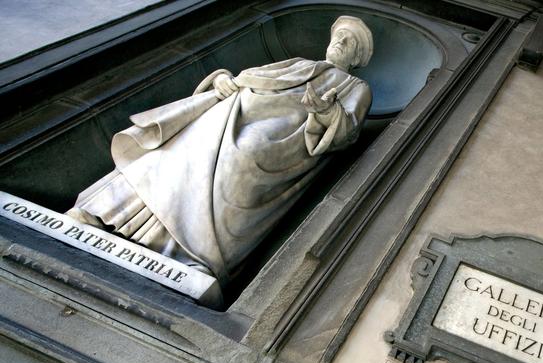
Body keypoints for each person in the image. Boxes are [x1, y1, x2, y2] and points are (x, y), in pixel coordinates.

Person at [67, 16, 373, 284]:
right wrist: (223, 80)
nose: (340, 41)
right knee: (180, 152)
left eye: (350, 41)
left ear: (357, 56)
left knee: (245, 153)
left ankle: (191, 254)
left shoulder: (356, 87)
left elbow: (347, 131)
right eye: (338, 36)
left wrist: (326, 111)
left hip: (282, 143)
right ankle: (111, 214)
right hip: (233, 113)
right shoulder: (300, 63)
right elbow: (251, 77)